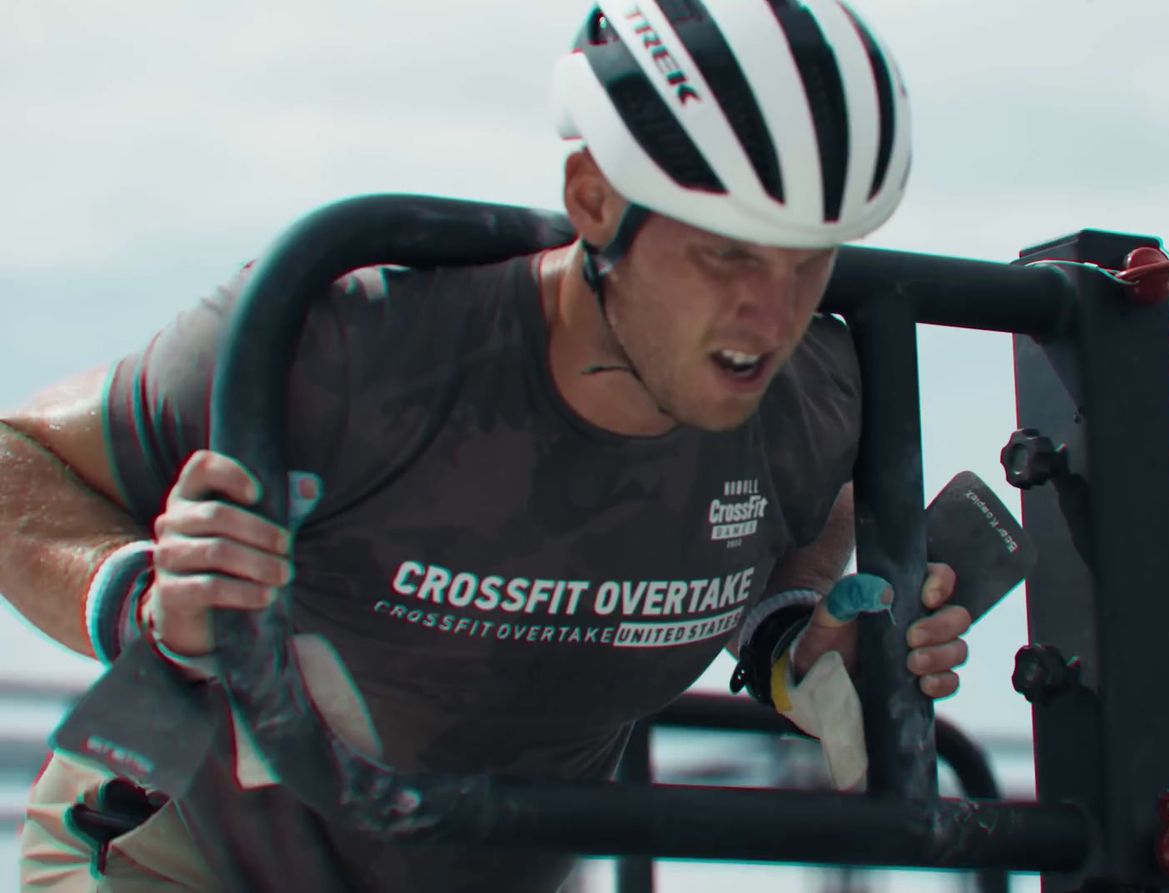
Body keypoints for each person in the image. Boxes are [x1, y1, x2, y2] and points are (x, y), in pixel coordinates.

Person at [2, 2, 976, 890]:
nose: (769, 317)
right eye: (725, 251)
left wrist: (794, 636)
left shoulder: (814, 397)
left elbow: (786, 527)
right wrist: (139, 598)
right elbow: (15, 456)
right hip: (168, 859)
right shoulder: (356, 348)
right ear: (594, 201)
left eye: (809, 263)